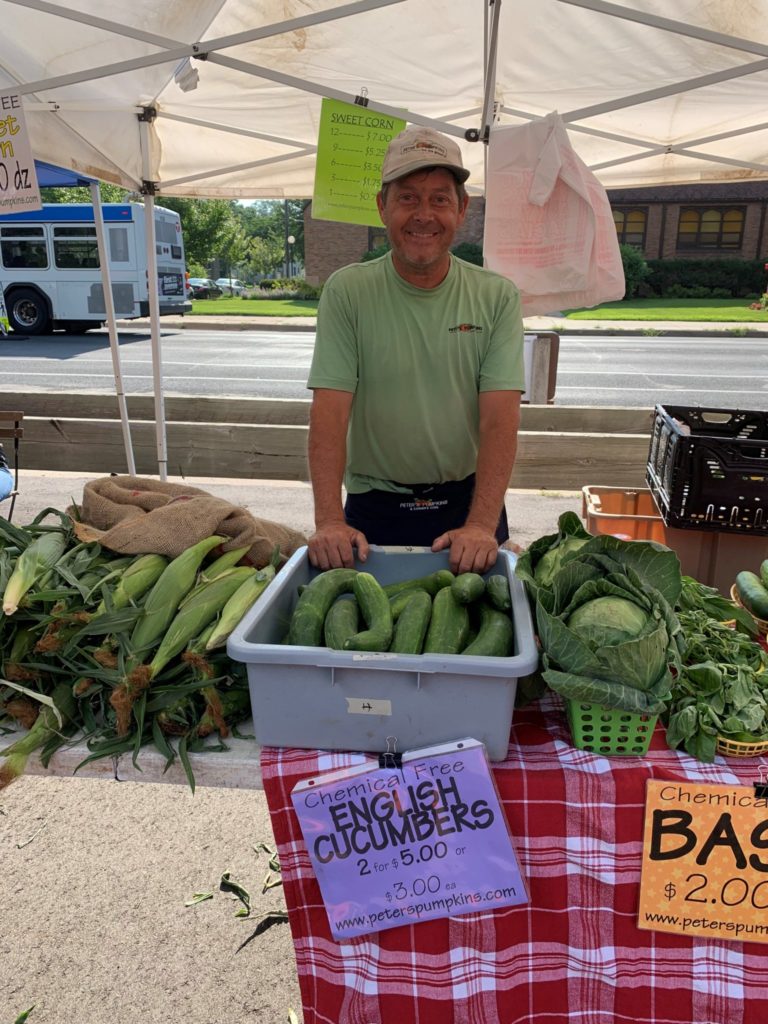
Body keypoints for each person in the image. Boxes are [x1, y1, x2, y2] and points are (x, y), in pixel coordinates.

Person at [306, 124, 526, 575]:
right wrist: (329, 519)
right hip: (373, 507)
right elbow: (330, 411)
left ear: (461, 209)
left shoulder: (497, 296)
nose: (423, 214)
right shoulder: (347, 291)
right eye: (407, 197)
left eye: (439, 199)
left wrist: (483, 525)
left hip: (469, 506)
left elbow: (499, 419)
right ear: (382, 207)